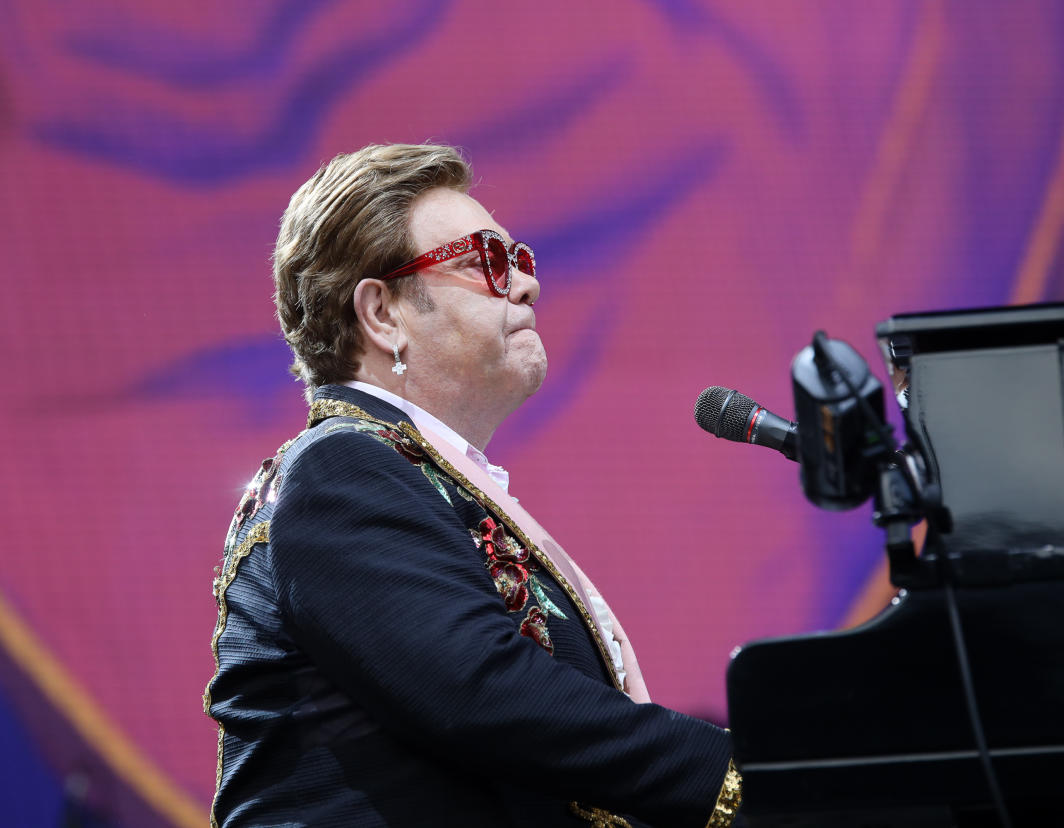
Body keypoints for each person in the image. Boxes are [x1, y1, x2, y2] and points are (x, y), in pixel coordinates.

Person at [204, 143, 742, 827]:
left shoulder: (408, 476)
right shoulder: (340, 472)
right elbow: (484, 692)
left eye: (519, 261)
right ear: (383, 314)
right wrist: (734, 778)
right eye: (485, 262)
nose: (525, 285)